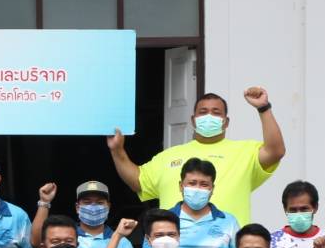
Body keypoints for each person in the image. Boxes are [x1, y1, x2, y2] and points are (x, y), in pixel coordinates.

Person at [106, 87, 284, 224]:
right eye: (203, 112)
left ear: (226, 122)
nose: (209, 116)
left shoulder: (245, 152)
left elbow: (275, 151)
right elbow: (137, 181)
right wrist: (117, 150)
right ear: (193, 120)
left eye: (216, 113)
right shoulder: (169, 156)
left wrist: (263, 108)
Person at [32, 180, 135, 248]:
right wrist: (44, 202)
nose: (93, 207)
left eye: (99, 202)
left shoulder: (122, 243)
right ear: (77, 207)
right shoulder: (67, 239)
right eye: (87, 202)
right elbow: (37, 242)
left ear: (108, 206)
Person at [165, 159, 237, 248]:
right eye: (192, 183)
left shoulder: (229, 222)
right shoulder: (162, 220)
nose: (197, 189)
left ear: (212, 189)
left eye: (204, 184)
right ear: (181, 186)